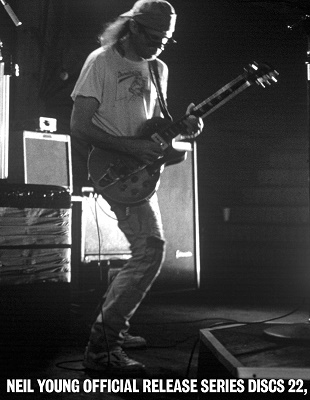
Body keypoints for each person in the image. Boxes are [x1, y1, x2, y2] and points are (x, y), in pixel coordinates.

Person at [70, 0, 203, 374]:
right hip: (114, 168)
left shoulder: (158, 69)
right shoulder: (102, 62)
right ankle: (102, 347)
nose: (159, 45)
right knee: (150, 250)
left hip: (142, 173)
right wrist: (131, 148)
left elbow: (155, 127)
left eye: (166, 40)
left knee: (143, 251)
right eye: (154, 37)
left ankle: (113, 325)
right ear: (132, 28)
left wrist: (184, 128)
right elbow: (79, 126)